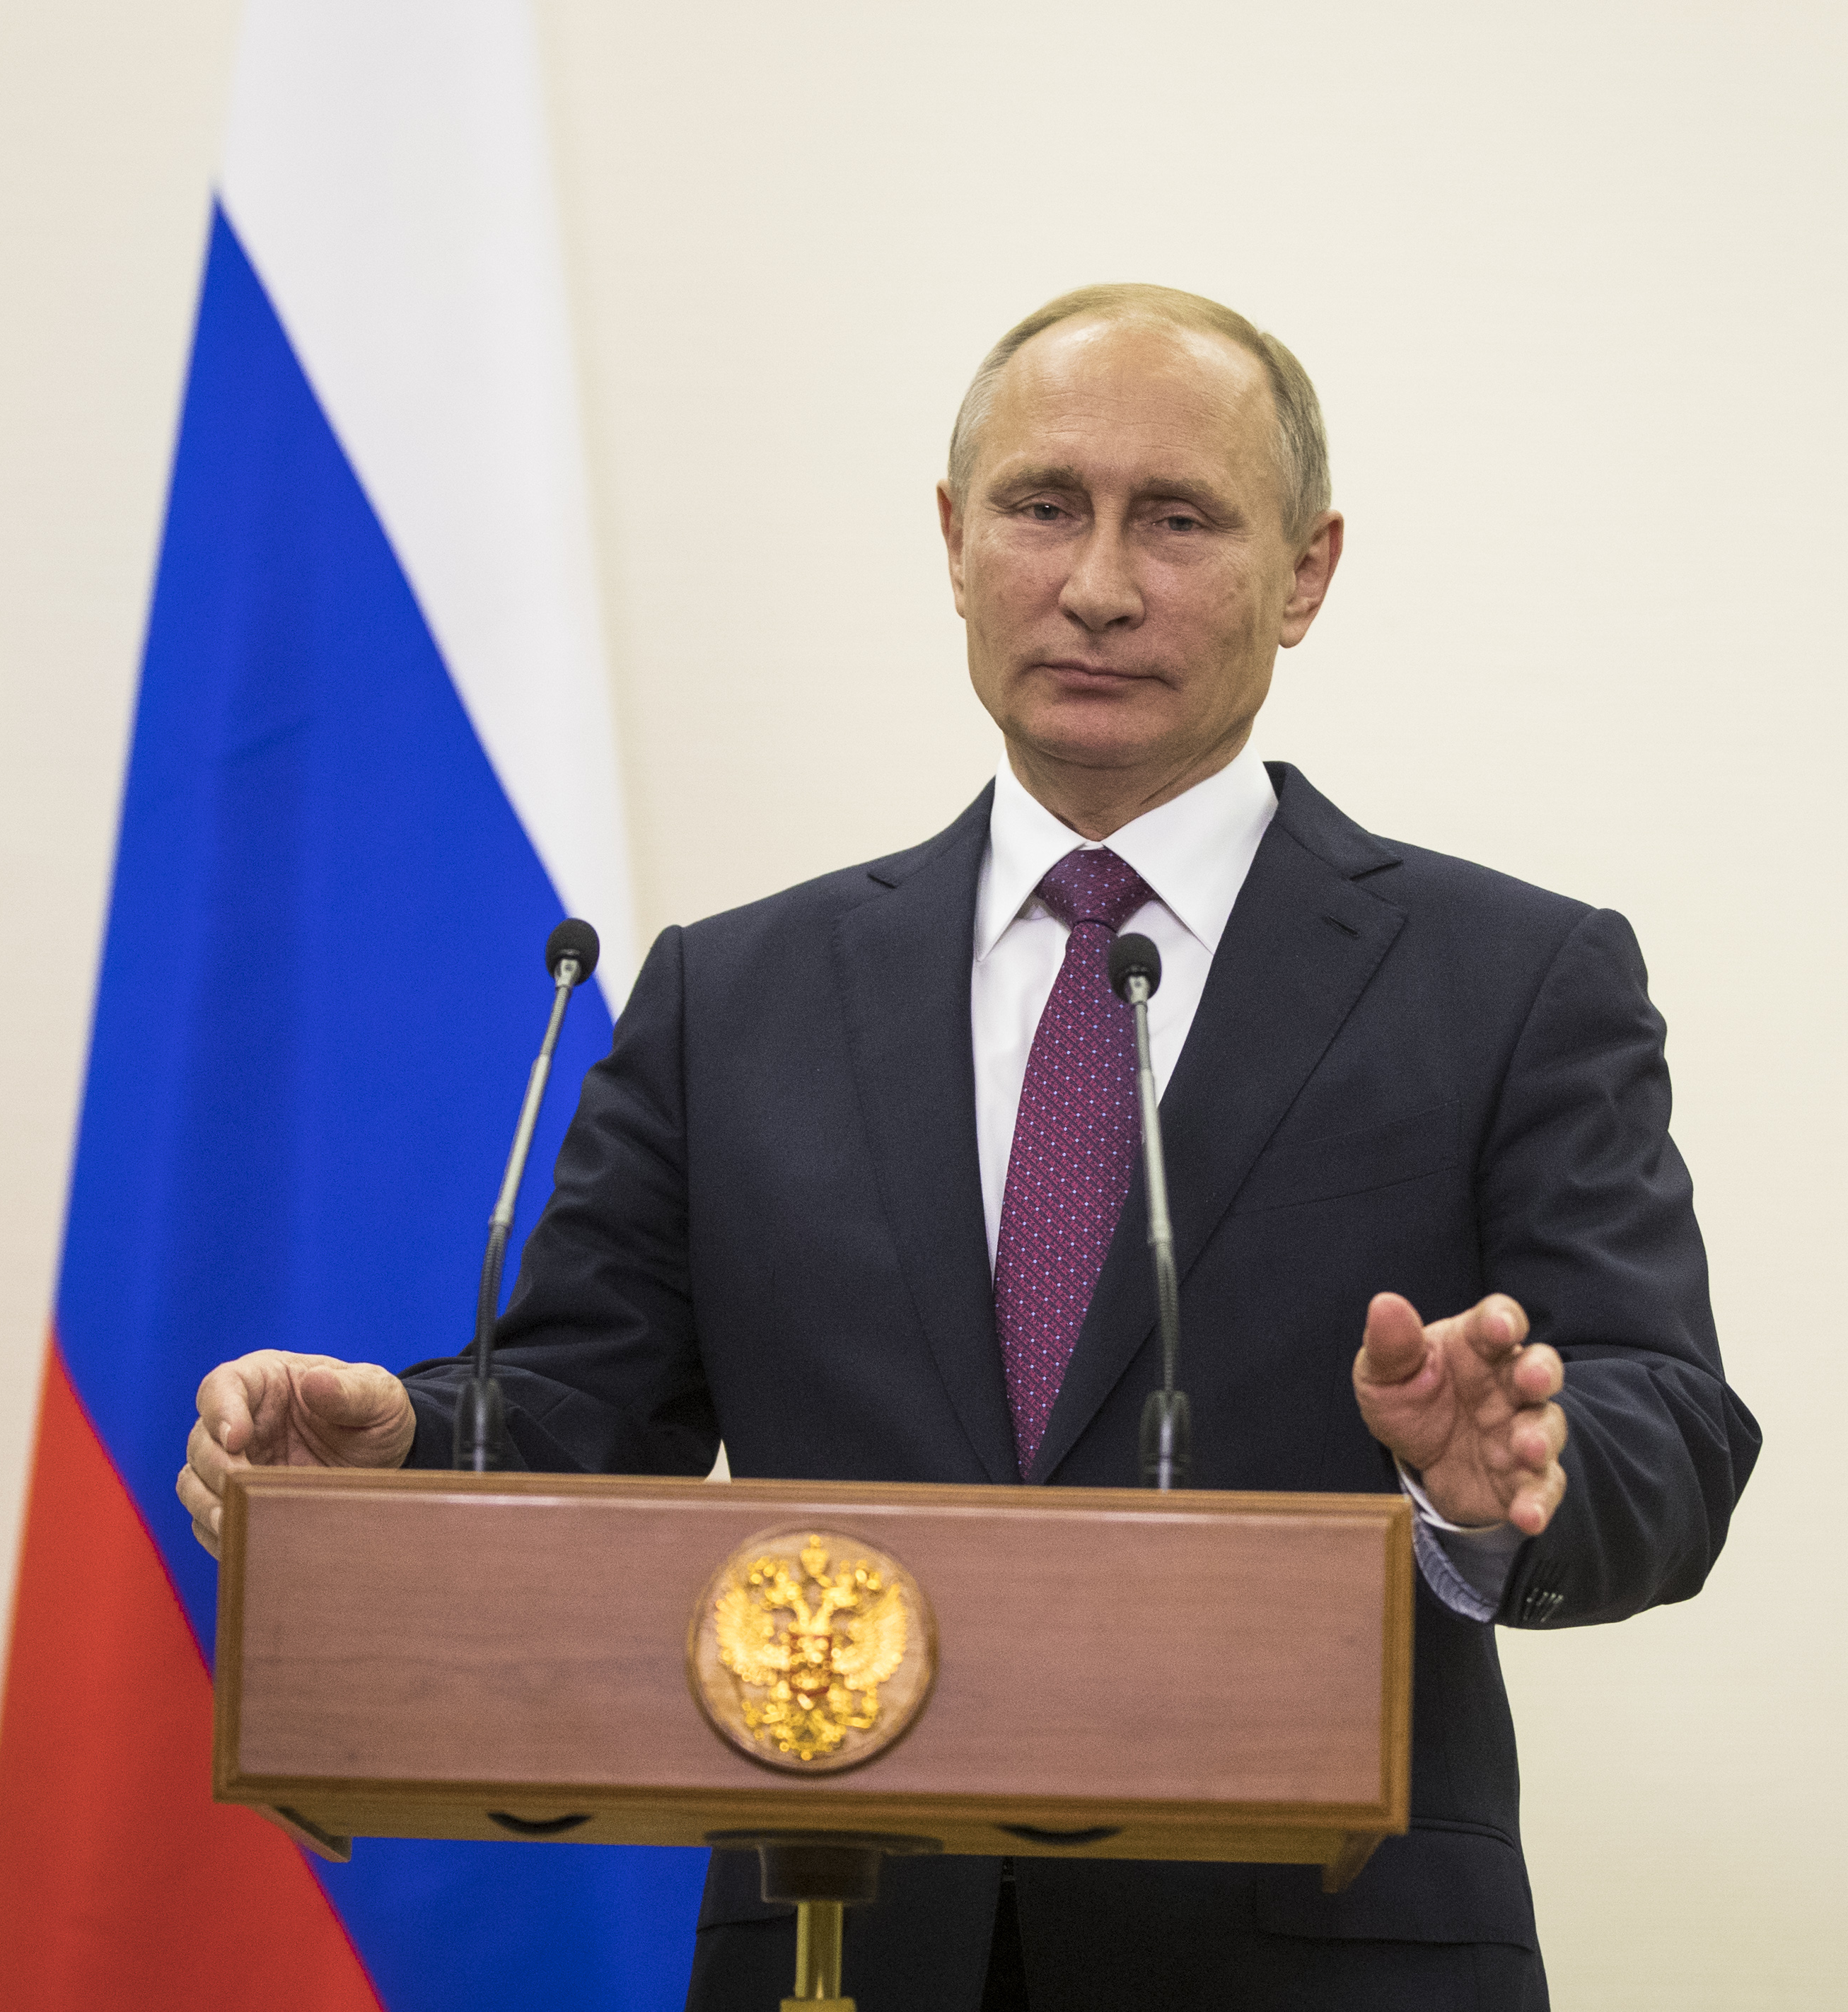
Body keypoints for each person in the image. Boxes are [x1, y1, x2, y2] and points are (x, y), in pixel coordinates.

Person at [177, 283, 1760, 2011]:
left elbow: (1664, 1426)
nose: (1095, 584)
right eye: (1040, 507)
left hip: (1322, 1956)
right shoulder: (737, 992)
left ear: (1303, 570)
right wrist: (404, 1440)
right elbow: (587, 1412)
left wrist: (1491, 1479)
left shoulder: (1509, 978)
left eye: (1176, 518)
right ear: (951, 540)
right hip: (841, 1945)